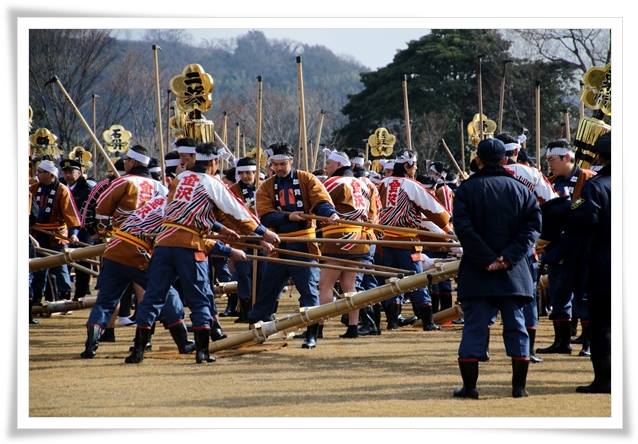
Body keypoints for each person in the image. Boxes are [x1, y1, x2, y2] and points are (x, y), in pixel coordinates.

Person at [125, 142, 279, 364]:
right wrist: (263, 233)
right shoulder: (211, 182)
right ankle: (203, 352)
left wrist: (220, 229)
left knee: (153, 297)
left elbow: (184, 212)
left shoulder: (180, 179)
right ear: (214, 162)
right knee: (199, 298)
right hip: (189, 245)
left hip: (164, 242)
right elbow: (236, 211)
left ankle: (137, 350)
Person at [452, 138, 541, 399]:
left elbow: (463, 229)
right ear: (505, 159)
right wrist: (507, 258)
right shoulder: (521, 190)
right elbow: (532, 229)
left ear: (478, 159)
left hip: (478, 271)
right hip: (513, 272)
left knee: (474, 328)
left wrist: (486, 258)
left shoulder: (466, 190)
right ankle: (519, 388)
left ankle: (470, 388)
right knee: (517, 327)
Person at [249, 143, 338, 349]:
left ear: (291, 161)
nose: (279, 168)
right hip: (278, 246)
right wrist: (288, 215)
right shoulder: (266, 186)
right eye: (275, 164)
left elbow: (321, 200)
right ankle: (256, 330)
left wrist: (329, 214)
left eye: (283, 163)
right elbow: (265, 214)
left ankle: (311, 333)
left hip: (304, 244)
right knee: (268, 290)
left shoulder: (307, 179)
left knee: (308, 291)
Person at [496, 132, 559, 363]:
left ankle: (477, 349)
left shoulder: (481, 177)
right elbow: (553, 205)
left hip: (490, 248)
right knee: (527, 297)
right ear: (515, 152)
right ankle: (527, 350)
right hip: (525, 247)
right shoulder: (531, 174)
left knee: (486, 300)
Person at [377, 150, 452, 331]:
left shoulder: (383, 183)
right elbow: (436, 211)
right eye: (415, 165)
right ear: (407, 165)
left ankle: (393, 321)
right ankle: (427, 321)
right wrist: (447, 225)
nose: (416, 168)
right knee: (417, 281)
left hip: (384, 242)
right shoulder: (412, 185)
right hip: (407, 242)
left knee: (391, 281)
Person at [536, 139, 596, 356]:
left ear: (566, 157)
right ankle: (562, 341)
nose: (550, 164)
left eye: (552, 159)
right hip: (557, 247)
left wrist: (570, 208)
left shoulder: (588, 179)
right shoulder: (550, 182)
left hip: (582, 247)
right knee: (558, 295)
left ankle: (589, 343)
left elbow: (589, 207)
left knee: (584, 297)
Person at [318, 149, 378, 338]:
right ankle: (353, 326)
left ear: (337, 165)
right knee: (349, 285)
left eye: (328, 163)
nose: (326, 167)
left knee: (325, 284)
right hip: (360, 238)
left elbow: (318, 205)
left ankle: (318, 327)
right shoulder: (365, 184)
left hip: (338, 237)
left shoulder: (332, 183)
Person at [569, 132, 611, 393]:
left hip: (605, 262)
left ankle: (605, 379)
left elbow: (584, 219)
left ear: (600, 156)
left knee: (603, 325)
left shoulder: (597, 185)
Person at [29, 159, 82, 304]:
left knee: (60, 265)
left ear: (50, 174)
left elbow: (70, 214)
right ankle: (36, 298)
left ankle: (65, 297)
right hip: (37, 234)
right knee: (38, 267)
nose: (37, 175)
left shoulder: (62, 190)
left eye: (40, 172)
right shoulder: (32, 189)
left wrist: (73, 234)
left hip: (57, 233)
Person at [59, 157, 95, 300]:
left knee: (82, 261)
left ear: (79, 173)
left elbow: (92, 210)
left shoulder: (87, 189)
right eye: (65, 172)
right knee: (62, 261)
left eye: (71, 172)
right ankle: (63, 293)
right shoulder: (60, 187)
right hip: (62, 229)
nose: (68, 175)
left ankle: (80, 293)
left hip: (84, 229)